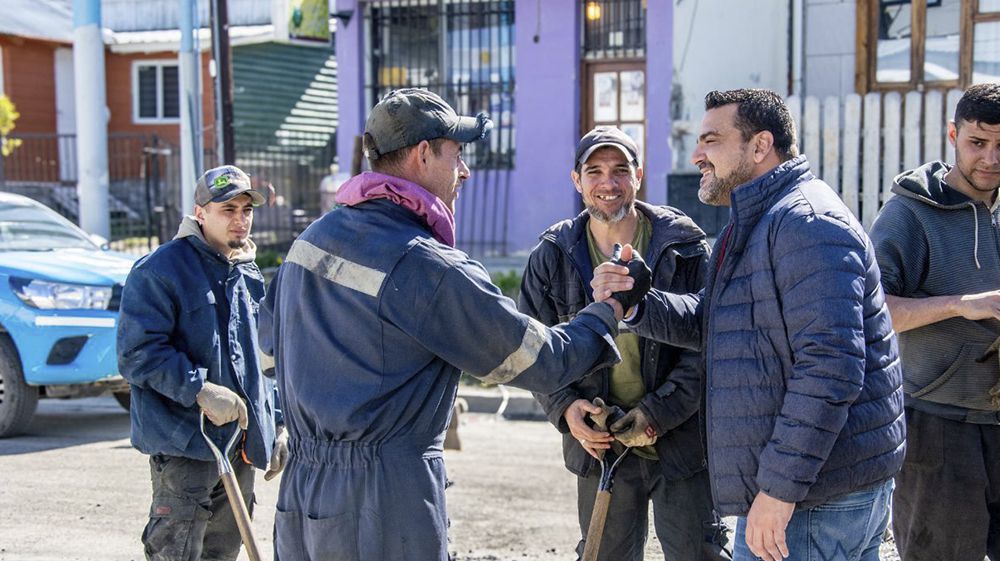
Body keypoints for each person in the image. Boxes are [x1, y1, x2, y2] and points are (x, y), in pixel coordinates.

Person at [259, 88, 634, 561]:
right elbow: (540, 360)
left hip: (303, 493)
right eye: (457, 155)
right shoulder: (425, 265)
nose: (465, 171)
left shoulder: (310, 241)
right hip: (382, 501)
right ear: (422, 154)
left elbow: (268, 353)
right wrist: (607, 309)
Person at [592, 89, 906, 561]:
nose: (697, 156)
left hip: (812, 499)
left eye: (711, 141)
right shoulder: (757, 221)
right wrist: (638, 302)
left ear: (760, 146)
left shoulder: (807, 224)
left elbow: (831, 368)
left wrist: (779, 490)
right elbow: (717, 321)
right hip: (806, 490)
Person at [518, 126, 730, 560]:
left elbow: (710, 345)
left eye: (619, 170)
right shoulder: (553, 254)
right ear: (576, 180)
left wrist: (658, 413)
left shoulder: (684, 247)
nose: (608, 183)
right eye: (594, 171)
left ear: (639, 175)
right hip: (600, 442)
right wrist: (566, 408)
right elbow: (533, 349)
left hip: (680, 440)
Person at [117, 164, 288, 561]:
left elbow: (263, 359)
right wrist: (199, 389)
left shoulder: (248, 273)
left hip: (239, 446)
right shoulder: (160, 270)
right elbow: (137, 353)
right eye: (228, 209)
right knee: (176, 552)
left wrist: (277, 423)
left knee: (222, 552)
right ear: (200, 213)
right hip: (186, 445)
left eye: (246, 210)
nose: (240, 219)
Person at [869, 82, 1000, 561]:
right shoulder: (908, 214)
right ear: (952, 135)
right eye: (977, 142)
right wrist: (962, 304)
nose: (990, 159)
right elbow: (871, 310)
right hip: (938, 426)